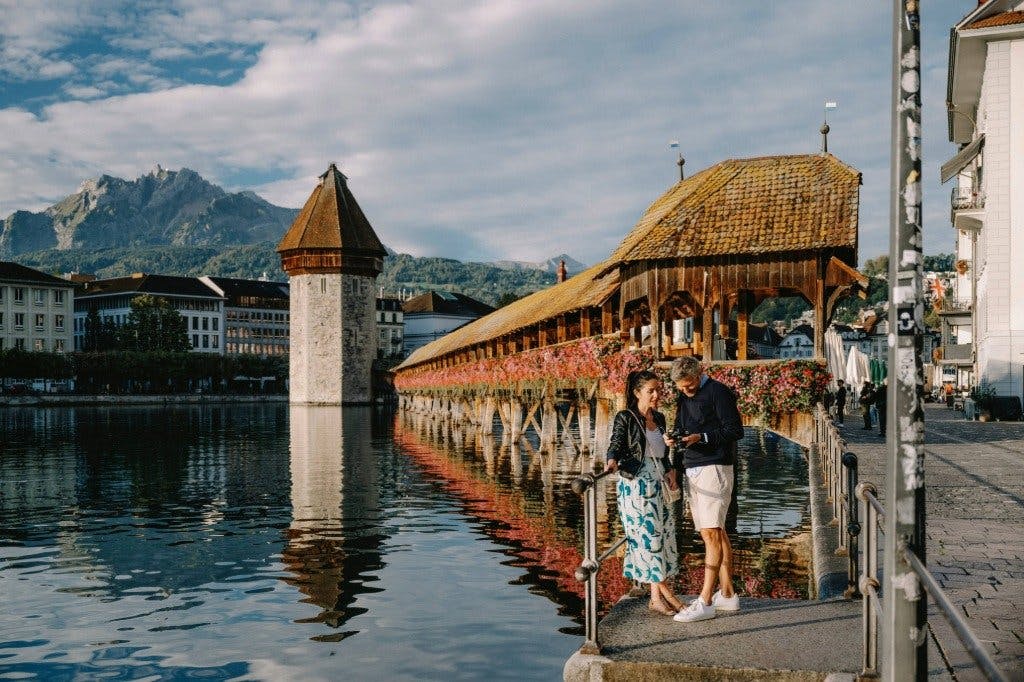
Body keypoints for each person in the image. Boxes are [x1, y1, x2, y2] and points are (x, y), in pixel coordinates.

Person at [667, 356, 744, 623]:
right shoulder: (683, 396)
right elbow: (682, 426)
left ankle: (706, 600)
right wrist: (674, 437)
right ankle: (727, 593)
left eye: (688, 386)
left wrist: (704, 438)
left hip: (715, 466)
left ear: (700, 373)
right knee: (715, 531)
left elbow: (735, 430)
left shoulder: (719, 392)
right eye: (680, 387)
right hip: (693, 466)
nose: (686, 391)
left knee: (711, 533)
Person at [604, 370, 684, 616]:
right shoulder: (625, 417)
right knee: (647, 540)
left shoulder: (659, 418)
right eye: (651, 390)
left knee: (661, 538)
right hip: (637, 485)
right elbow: (616, 443)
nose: (656, 395)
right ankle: (672, 598)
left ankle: (655, 599)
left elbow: (662, 452)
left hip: (660, 482)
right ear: (637, 393)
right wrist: (611, 460)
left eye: (658, 389)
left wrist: (670, 469)